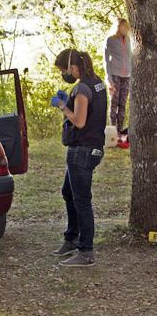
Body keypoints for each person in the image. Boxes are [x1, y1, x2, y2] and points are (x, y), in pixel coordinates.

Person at [50, 49, 107, 267]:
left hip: (82, 151)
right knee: (68, 192)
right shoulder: (97, 82)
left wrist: (63, 106)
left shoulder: (82, 87)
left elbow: (80, 121)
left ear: (73, 67)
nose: (65, 74)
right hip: (92, 147)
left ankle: (86, 251)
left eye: (64, 70)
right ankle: (72, 238)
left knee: (81, 200)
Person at [103, 18, 132, 140]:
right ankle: (112, 132)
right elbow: (106, 61)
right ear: (118, 27)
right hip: (114, 75)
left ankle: (119, 133)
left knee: (123, 105)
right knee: (114, 105)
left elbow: (131, 57)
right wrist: (109, 79)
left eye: (127, 27)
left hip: (127, 76)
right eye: (123, 26)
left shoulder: (129, 40)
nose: (126, 29)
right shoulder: (110, 40)